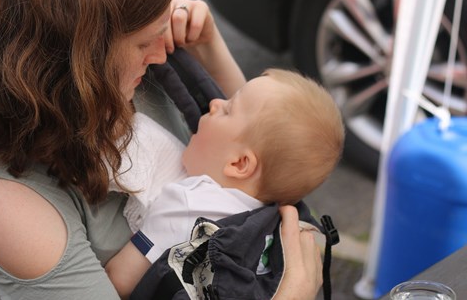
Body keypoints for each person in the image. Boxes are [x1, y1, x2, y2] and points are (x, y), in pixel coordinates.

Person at [0, 0, 324, 299]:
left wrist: (209, 46)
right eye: (143, 43)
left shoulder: (136, 73)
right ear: (79, 55)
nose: (160, 53)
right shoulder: (10, 203)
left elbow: (265, 142)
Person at [105, 69, 345, 298]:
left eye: (228, 110)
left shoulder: (188, 203)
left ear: (240, 164)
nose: (215, 103)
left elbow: (120, 280)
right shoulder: (270, 227)